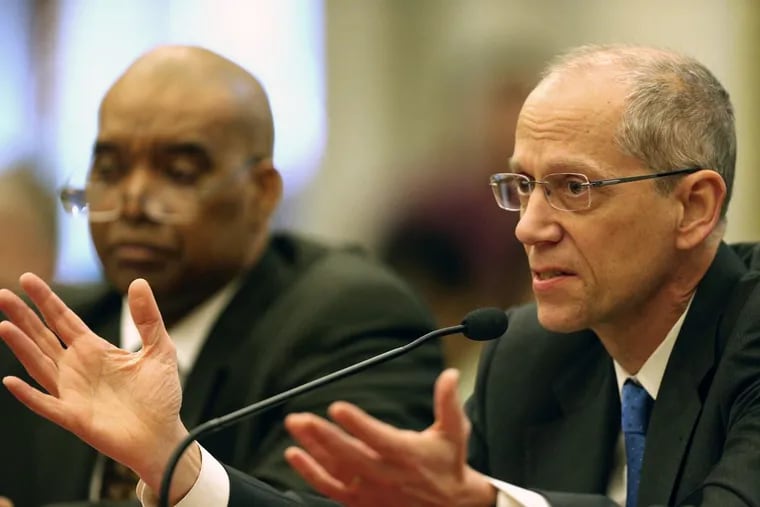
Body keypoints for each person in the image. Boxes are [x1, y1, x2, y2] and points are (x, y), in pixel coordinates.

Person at [2, 42, 759, 507]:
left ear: (693, 207)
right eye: (521, 187)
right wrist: (174, 465)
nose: (529, 226)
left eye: (574, 187)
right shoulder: (529, 356)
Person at [0, 44, 443, 507]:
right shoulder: (39, 337)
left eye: (179, 172)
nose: (132, 202)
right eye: (110, 170)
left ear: (262, 192)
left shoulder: (355, 321)